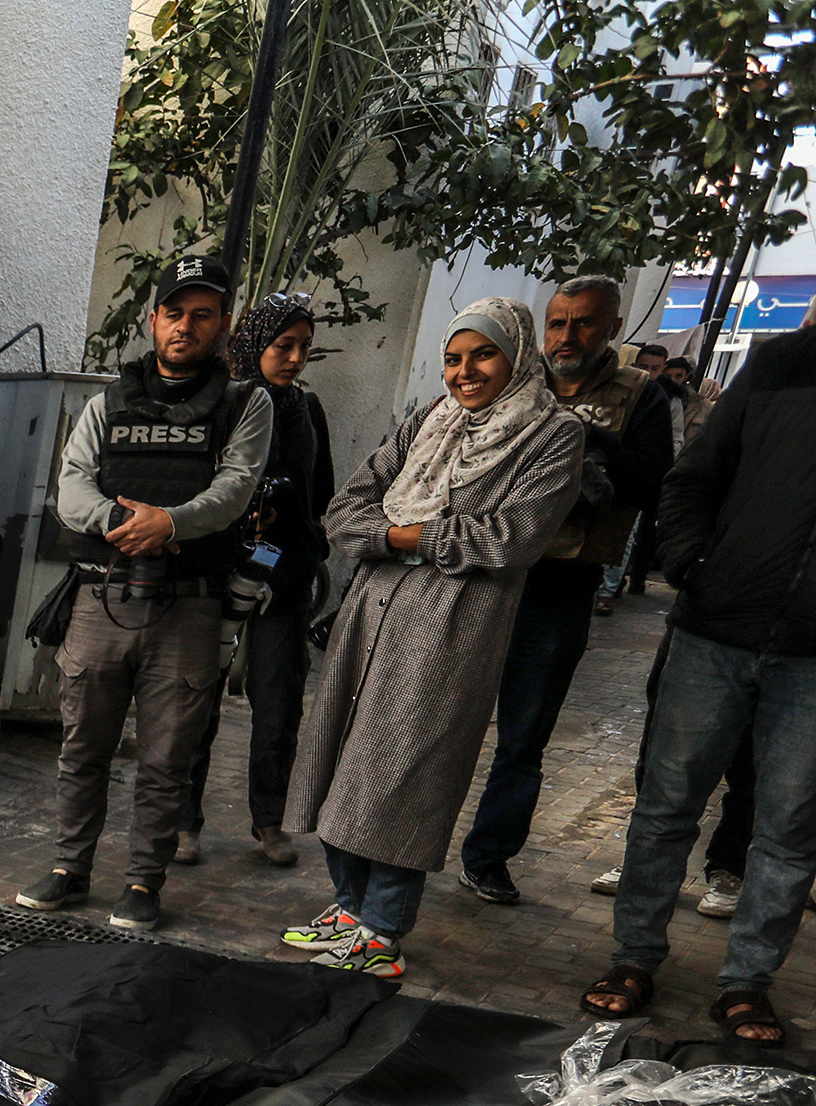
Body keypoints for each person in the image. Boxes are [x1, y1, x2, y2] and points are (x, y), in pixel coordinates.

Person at [280, 298, 583, 981]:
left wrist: (399, 536)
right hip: (371, 613)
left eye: (483, 355)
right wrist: (405, 536)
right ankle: (349, 909)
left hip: (450, 627)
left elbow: (511, 540)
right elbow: (344, 511)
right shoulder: (428, 420)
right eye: (453, 358)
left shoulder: (551, 434)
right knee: (342, 757)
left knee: (405, 775)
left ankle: (383, 929)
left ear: (517, 357)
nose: (464, 372)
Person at [16, 252, 273, 932]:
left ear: (224, 324)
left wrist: (171, 524)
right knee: (82, 749)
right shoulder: (107, 402)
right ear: (154, 319)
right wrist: (122, 523)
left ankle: (142, 882)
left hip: (189, 604)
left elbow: (236, 488)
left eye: (202, 315)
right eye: (174, 313)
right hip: (100, 598)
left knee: (166, 758)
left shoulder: (246, 404)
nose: (185, 326)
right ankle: (70, 869)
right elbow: (72, 486)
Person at [581, 320, 816, 1047]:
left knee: (790, 827)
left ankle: (746, 982)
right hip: (716, 628)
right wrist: (689, 563)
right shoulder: (780, 365)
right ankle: (633, 957)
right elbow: (693, 477)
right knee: (667, 803)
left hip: (813, 660)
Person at [455, 277, 673, 906]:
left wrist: (586, 438)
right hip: (482, 573)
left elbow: (654, 484)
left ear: (613, 328)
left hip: (561, 582)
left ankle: (488, 857)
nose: (567, 336)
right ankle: (402, 847)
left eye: (583, 322)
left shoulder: (641, 394)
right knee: (440, 717)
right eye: (557, 323)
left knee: (524, 734)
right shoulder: (514, 377)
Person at [182, 292, 334, 868]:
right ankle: (182, 821)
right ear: (254, 344)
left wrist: (306, 546)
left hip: (285, 576)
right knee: (198, 699)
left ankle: (269, 820)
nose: (294, 358)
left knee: (278, 702)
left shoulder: (306, 409)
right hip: (219, 573)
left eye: (304, 348)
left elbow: (320, 490)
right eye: (283, 346)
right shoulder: (225, 404)